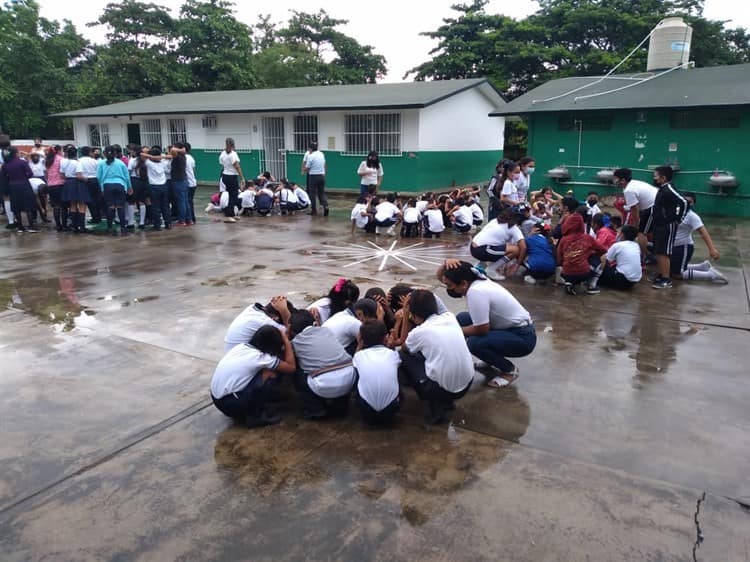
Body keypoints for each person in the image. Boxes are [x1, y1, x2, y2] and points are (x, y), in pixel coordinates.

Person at [439, 261, 536, 388]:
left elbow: (482, 330)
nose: (449, 289)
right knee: (463, 318)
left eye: (450, 286)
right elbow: (441, 277)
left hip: (523, 338)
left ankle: (509, 371)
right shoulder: (477, 279)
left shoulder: (476, 292)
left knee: (473, 343)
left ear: (463, 283)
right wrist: (446, 264)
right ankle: (489, 358)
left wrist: (455, 330)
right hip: (510, 329)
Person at [398, 289, 475, 424]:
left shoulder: (420, 332)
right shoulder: (449, 317)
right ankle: (447, 400)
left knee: (403, 355)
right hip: (466, 384)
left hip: (441, 390)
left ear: (414, 314)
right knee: (430, 353)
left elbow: (404, 345)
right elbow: (433, 298)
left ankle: (437, 405)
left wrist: (405, 315)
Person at [210, 325, 296, 428]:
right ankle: (256, 417)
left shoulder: (242, 346)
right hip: (230, 403)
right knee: (269, 375)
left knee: (264, 372)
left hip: (217, 398)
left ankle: (261, 402)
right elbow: (291, 367)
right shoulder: (260, 357)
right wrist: (286, 341)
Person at [289, 310, 355, 419]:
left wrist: (286, 338)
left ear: (292, 329)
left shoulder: (296, 342)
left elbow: (290, 364)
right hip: (349, 379)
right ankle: (340, 405)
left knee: (296, 371)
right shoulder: (326, 331)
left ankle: (314, 409)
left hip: (323, 385)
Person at [671, 193, 727, 283]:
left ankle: (711, 275)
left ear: (693, 204)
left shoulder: (692, 216)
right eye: (685, 200)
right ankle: (702, 267)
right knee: (668, 267)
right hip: (673, 246)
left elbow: (704, 233)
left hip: (683, 247)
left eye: (690, 202)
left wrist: (712, 249)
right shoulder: (675, 211)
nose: (687, 203)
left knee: (677, 274)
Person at [352, 320, 401, 425]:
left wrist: (359, 344)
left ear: (362, 339)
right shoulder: (392, 354)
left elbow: (354, 363)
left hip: (366, 409)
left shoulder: (359, 356)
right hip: (391, 408)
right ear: (385, 338)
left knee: (356, 374)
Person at [649, 166, 688, 289]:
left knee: (664, 252)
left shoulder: (669, 189)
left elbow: (684, 202)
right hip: (660, 224)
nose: (654, 178)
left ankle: (666, 279)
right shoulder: (662, 189)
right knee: (659, 251)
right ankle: (662, 274)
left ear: (663, 177)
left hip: (667, 226)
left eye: (656, 176)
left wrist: (678, 219)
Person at [469, 208, 526, 281]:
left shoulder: (494, 220)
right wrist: (517, 265)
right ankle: (491, 270)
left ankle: (480, 266)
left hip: (473, 248)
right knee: (516, 249)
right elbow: (523, 247)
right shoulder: (513, 228)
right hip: (483, 250)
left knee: (499, 246)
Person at [557, 212, 607, 295]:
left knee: (568, 263)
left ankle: (569, 282)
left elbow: (559, 258)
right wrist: (589, 251)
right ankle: (591, 286)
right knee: (600, 257)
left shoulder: (563, 239)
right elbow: (603, 250)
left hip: (566, 273)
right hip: (583, 273)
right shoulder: (588, 238)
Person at [224, 296, 292, 353]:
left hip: (231, 355)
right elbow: (291, 333)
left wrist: (279, 304)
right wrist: (284, 311)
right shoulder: (264, 321)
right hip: (239, 358)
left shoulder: (252, 308)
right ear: (275, 318)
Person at [0, 147, 38, 232]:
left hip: (12, 186)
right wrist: (24, 177)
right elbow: (30, 173)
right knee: (28, 205)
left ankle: (20, 227)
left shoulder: (5, 164)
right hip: (24, 185)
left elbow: (3, 177)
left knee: (16, 207)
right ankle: (31, 226)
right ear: (16, 153)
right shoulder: (22, 162)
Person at [593, 224, 643, 290]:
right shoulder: (636, 245)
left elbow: (604, 259)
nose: (617, 234)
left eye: (618, 232)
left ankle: (594, 280)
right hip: (633, 281)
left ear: (622, 234)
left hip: (622, 279)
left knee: (596, 261)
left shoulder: (618, 245)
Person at [96, 145, 132, 235]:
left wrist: (101, 188)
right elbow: (127, 176)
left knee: (110, 207)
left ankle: (110, 227)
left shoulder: (101, 163)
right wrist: (129, 187)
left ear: (104, 153)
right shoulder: (120, 163)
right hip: (120, 185)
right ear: (115, 153)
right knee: (120, 207)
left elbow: (98, 177)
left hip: (107, 186)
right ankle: (123, 227)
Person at [60, 145, 92, 233]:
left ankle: (74, 227)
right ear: (76, 154)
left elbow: (62, 175)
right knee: (82, 205)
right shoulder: (77, 163)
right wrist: (86, 179)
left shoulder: (64, 163)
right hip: (78, 183)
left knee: (72, 205)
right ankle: (82, 227)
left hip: (68, 182)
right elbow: (79, 176)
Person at [142, 146, 170, 231]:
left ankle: (157, 225)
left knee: (155, 206)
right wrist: (159, 156)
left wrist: (152, 156)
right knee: (165, 206)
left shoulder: (149, 163)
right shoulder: (163, 162)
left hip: (154, 187)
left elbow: (141, 155)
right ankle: (167, 223)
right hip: (163, 186)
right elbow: (170, 156)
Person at [219, 138, 245, 223]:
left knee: (231, 195)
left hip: (225, 175)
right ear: (233, 145)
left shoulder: (223, 153)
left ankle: (232, 214)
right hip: (232, 177)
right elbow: (237, 166)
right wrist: (242, 178)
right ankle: (228, 215)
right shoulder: (233, 154)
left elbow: (221, 163)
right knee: (233, 196)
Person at [45, 145, 66, 231]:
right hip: (60, 185)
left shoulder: (47, 160)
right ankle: (64, 225)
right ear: (58, 151)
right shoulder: (61, 159)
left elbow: (46, 173)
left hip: (51, 186)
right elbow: (63, 173)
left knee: (56, 206)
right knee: (63, 206)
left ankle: (58, 225)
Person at [304, 141, 328, 216]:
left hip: (313, 176)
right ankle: (326, 206)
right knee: (321, 193)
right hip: (321, 176)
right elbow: (324, 163)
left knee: (312, 193)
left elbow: (307, 168)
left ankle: (314, 210)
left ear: (311, 149)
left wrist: (304, 170)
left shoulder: (311, 156)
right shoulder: (321, 154)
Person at [79, 146, 102, 225]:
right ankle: (98, 216)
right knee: (96, 199)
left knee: (89, 200)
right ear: (89, 153)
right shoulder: (95, 161)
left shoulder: (79, 161)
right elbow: (98, 171)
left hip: (85, 180)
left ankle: (94, 217)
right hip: (95, 180)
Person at [170, 143, 191, 226]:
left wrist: (180, 149)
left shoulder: (178, 157)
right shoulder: (183, 157)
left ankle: (182, 220)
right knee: (185, 201)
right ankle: (188, 220)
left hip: (178, 181)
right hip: (184, 181)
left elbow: (172, 150)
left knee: (181, 202)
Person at [185, 142, 198, 224]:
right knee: (190, 201)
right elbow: (193, 170)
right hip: (193, 182)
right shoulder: (191, 158)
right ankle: (192, 218)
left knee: (187, 202)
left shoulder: (183, 158)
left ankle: (189, 219)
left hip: (188, 183)